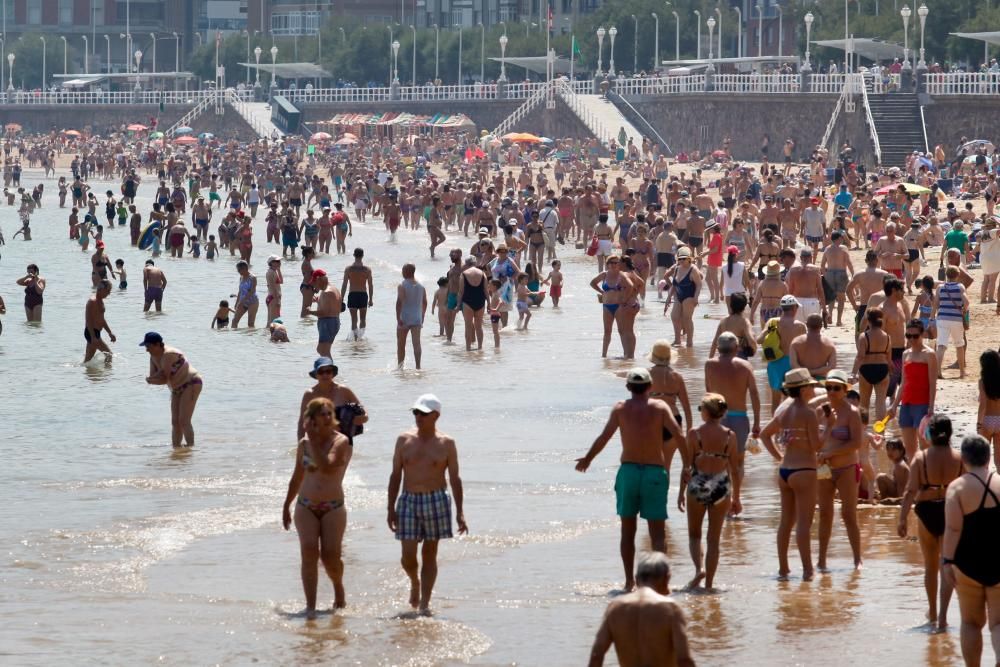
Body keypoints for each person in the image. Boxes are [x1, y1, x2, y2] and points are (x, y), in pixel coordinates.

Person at [575, 368, 685, 592]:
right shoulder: (661, 407)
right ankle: (660, 584)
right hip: (655, 472)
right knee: (657, 534)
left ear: (628, 388)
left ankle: (628, 582)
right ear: (650, 387)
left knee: (628, 531)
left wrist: (588, 458)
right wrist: (688, 465)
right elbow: (679, 435)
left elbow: (604, 437)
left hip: (629, 472)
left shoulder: (620, 409)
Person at [386, 394, 467, 615]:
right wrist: (390, 508)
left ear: (436, 416)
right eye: (416, 412)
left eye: (423, 413)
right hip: (409, 499)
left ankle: (424, 603)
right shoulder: (404, 440)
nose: (418, 417)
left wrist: (460, 512)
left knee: (429, 554)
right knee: (408, 556)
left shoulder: (447, 443)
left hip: (436, 499)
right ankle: (414, 581)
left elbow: (455, 479)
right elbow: (395, 475)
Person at [282, 397, 352, 619]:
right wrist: (286, 505)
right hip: (306, 505)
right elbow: (296, 478)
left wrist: (312, 439)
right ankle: (310, 607)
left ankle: (338, 588)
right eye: (320, 414)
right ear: (310, 418)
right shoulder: (304, 444)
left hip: (333, 507)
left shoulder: (341, 441)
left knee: (330, 557)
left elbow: (328, 467)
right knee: (309, 552)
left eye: (328, 413)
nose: (325, 417)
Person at [898, 414, 962, 631]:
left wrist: (902, 519)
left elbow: (910, 491)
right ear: (950, 434)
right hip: (950, 511)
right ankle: (943, 616)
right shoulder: (959, 458)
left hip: (925, 511)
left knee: (930, 566)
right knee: (947, 565)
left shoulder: (920, 458)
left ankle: (932, 612)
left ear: (929, 434)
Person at [942, 435, 1000, 665]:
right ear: (988, 457)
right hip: (998, 561)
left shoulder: (957, 488)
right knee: (998, 623)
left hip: (967, 563)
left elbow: (953, 528)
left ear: (964, 459)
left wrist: (947, 561)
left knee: (970, 623)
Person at [760, 368, 822, 581]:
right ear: (804, 389)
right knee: (804, 523)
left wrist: (779, 457)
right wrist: (829, 427)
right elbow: (816, 446)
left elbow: (764, 434)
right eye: (811, 385)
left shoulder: (783, 411)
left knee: (785, 522)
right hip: (804, 469)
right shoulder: (808, 413)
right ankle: (807, 570)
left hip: (785, 470)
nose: (814, 388)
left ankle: (783, 569)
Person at [587, 553, 695, 667]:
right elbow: (684, 660)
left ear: (637, 579)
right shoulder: (670, 609)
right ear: (666, 578)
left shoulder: (615, 607)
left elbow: (596, 655)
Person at [679, 393, 740, 590]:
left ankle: (698, 570)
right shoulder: (730, 435)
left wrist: (681, 492)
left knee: (694, 534)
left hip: (698, 482)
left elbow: (687, 466)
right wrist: (737, 497)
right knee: (714, 539)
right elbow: (735, 469)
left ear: (706, 412)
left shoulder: (694, 433)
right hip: (721, 484)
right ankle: (710, 585)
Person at [704, 332, 760, 507]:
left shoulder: (709, 365)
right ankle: (736, 497)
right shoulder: (745, 366)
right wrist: (757, 422)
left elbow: (708, 392)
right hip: (739, 417)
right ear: (737, 348)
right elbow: (754, 393)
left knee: (718, 459)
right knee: (739, 461)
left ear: (718, 348)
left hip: (717, 417)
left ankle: (721, 498)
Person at [815, 369, 864, 571]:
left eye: (836, 388)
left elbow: (856, 443)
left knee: (848, 514)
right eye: (828, 388)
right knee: (825, 514)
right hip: (824, 469)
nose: (831, 392)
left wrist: (831, 453)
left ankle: (857, 559)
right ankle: (821, 560)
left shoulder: (852, 413)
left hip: (846, 467)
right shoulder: (820, 411)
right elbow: (815, 441)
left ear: (845, 390)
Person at [140, 332, 203, 448]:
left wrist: (151, 380)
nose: (146, 350)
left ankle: (191, 449)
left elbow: (164, 379)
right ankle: (176, 450)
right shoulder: (153, 357)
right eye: (146, 347)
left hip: (191, 382)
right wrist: (150, 380)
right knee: (175, 422)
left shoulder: (168, 354)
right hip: (176, 387)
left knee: (184, 420)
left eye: (148, 346)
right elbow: (155, 377)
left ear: (158, 344)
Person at [888, 319, 939, 462]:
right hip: (906, 405)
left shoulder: (929, 354)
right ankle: (914, 479)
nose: (911, 339)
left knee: (925, 446)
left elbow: (932, 382)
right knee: (909, 449)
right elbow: (903, 383)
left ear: (922, 334)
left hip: (922, 405)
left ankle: (928, 479)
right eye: (908, 336)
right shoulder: (906, 354)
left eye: (915, 336)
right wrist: (894, 405)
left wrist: (931, 406)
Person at [297, 357, 367, 445]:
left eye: (328, 371)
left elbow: (364, 415)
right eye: (321, 372)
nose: (325, 375)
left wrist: (360, 419)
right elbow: (301, 422)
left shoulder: (344, 390)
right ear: (316, 375)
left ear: (333, 373)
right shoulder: (309, 394)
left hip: (343, 441)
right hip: (318, 439)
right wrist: (300, 444)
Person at [851, 308, 892, 422]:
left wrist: (853, 373)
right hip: (882, 369)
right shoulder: (887, 337)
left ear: (868, 321)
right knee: (880, 402)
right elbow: (889, 359)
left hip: (866, 369)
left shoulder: (864, 337)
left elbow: (860, 357)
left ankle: (863, 431)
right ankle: (881, 432)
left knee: (864, 403)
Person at [933, 266, 969, 379]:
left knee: (941, 345)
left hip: (942, 318)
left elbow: (936, 304)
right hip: (956, 319)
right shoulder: (960, 287)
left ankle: (938, 371)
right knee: (959, 345)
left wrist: (934, 315)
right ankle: (962, 372)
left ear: (947, 275)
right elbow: (966, 302)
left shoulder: (940, 287)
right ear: (957, 275)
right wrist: (964, 310)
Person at [395, 263, 427, 369]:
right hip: (417, 317)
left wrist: (398, 318)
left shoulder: (402, 285)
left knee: (401, 344)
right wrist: (422, 315)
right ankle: (418, 366)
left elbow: (400, 302)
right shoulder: (421, 286)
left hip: (404, 317)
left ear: (406, 272)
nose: (402, 272)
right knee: (416, 343)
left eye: (403, 270)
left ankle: (400, 367)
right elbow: (425, 302)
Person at [341, 247, 373, 341]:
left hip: (352, 295)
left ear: (354, 255)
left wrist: (341, 298)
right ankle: (360, 337)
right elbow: (370, 285)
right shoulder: (367, 270)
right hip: (363, 295)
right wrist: (371, 299)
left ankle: (355, 339)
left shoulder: (349, 269)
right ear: (362, 256)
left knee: (354, 320)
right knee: (363, 319)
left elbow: (344, 285)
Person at [308, 269, 342, 356]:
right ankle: (329, 368)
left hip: (328, 323)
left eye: (315, 282)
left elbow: (324, 312)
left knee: (322, 350)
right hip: (332, 322)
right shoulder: (333, 289)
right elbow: (332, 306)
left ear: (319, 279)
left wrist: (310, 311)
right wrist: (318, 300)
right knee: (323, 351)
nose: (314, 285)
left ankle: (330, 369)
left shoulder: (327, 292)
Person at [231, 260, 259, 328]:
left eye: (239, 270)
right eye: (238, 270)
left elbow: (252, 291)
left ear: (245, 268)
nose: (238, 272)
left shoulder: (253, 277)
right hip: (242, 302)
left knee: (250, 323)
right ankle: (233, 337)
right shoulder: (241, 277)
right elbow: (240, 291)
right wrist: (237, 303)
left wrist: (242, 301)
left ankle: (251, 337)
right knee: (234, 321)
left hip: (253, 302)